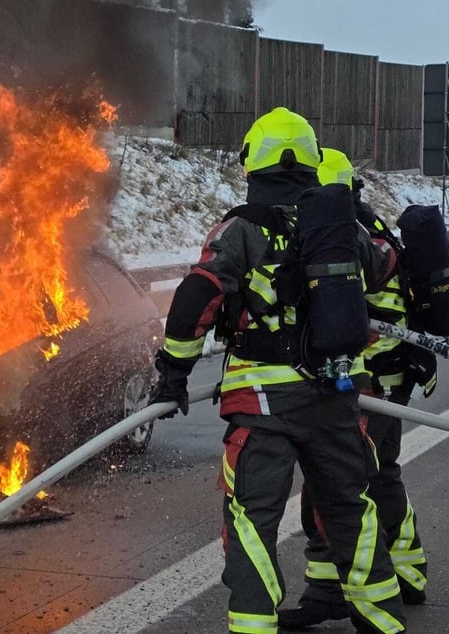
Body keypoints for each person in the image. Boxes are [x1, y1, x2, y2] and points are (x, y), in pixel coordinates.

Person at [148, 107, 406, 634]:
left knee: (252, 521)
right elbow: (385, 265)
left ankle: (253, 626)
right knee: (351, 509)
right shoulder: (339, 229)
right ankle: (383, 620)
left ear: (253, 163)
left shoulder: (240, 229)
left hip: (261, 405)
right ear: (311, 164)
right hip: (335, 397)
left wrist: (173, 376)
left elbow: (196, 297)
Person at [277, 148, 433, 630]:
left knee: (344, 484)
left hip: (371, 383)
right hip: (388, 379)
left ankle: (349, 591)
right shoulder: (371, 229)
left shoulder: (346, 237)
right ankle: (403, 573)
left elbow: (349, 316)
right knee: (379, 475)